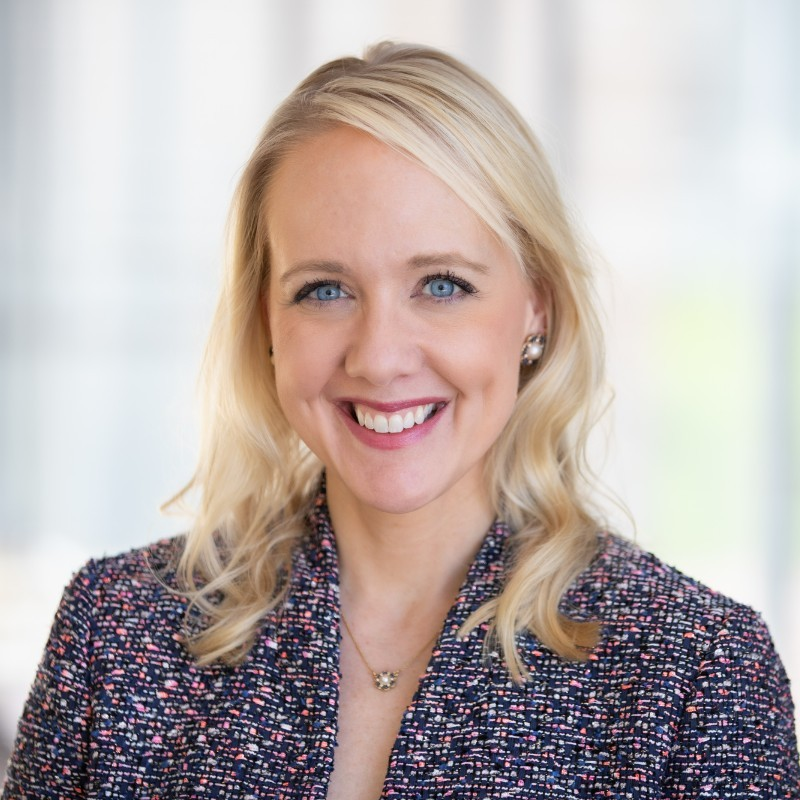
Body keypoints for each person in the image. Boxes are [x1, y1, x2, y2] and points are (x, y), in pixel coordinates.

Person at [2, 41, 798, 799]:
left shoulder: (698, 672)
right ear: (266, 321)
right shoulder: (116, 632)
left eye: (442, 285)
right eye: (324, 290)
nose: (379, 358)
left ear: (537, 306)